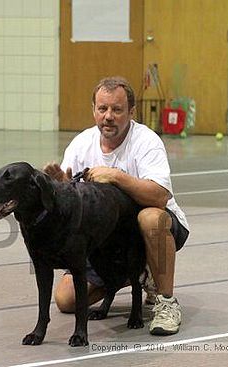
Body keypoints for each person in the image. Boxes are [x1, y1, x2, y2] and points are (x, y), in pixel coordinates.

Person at [43, 76, 189, 336]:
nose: (108, 116)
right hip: (106, 239)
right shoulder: (81, 144)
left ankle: (166, 302)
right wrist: (60, 188)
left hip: (154, 230)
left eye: (117, 109)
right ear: (94, 110)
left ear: (132, 112)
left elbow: (160, 196)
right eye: (102, 109)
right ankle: (139, 274)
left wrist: (117, 176)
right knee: (66, 300)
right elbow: (70, 204)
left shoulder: (147, 141)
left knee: (151, 218)